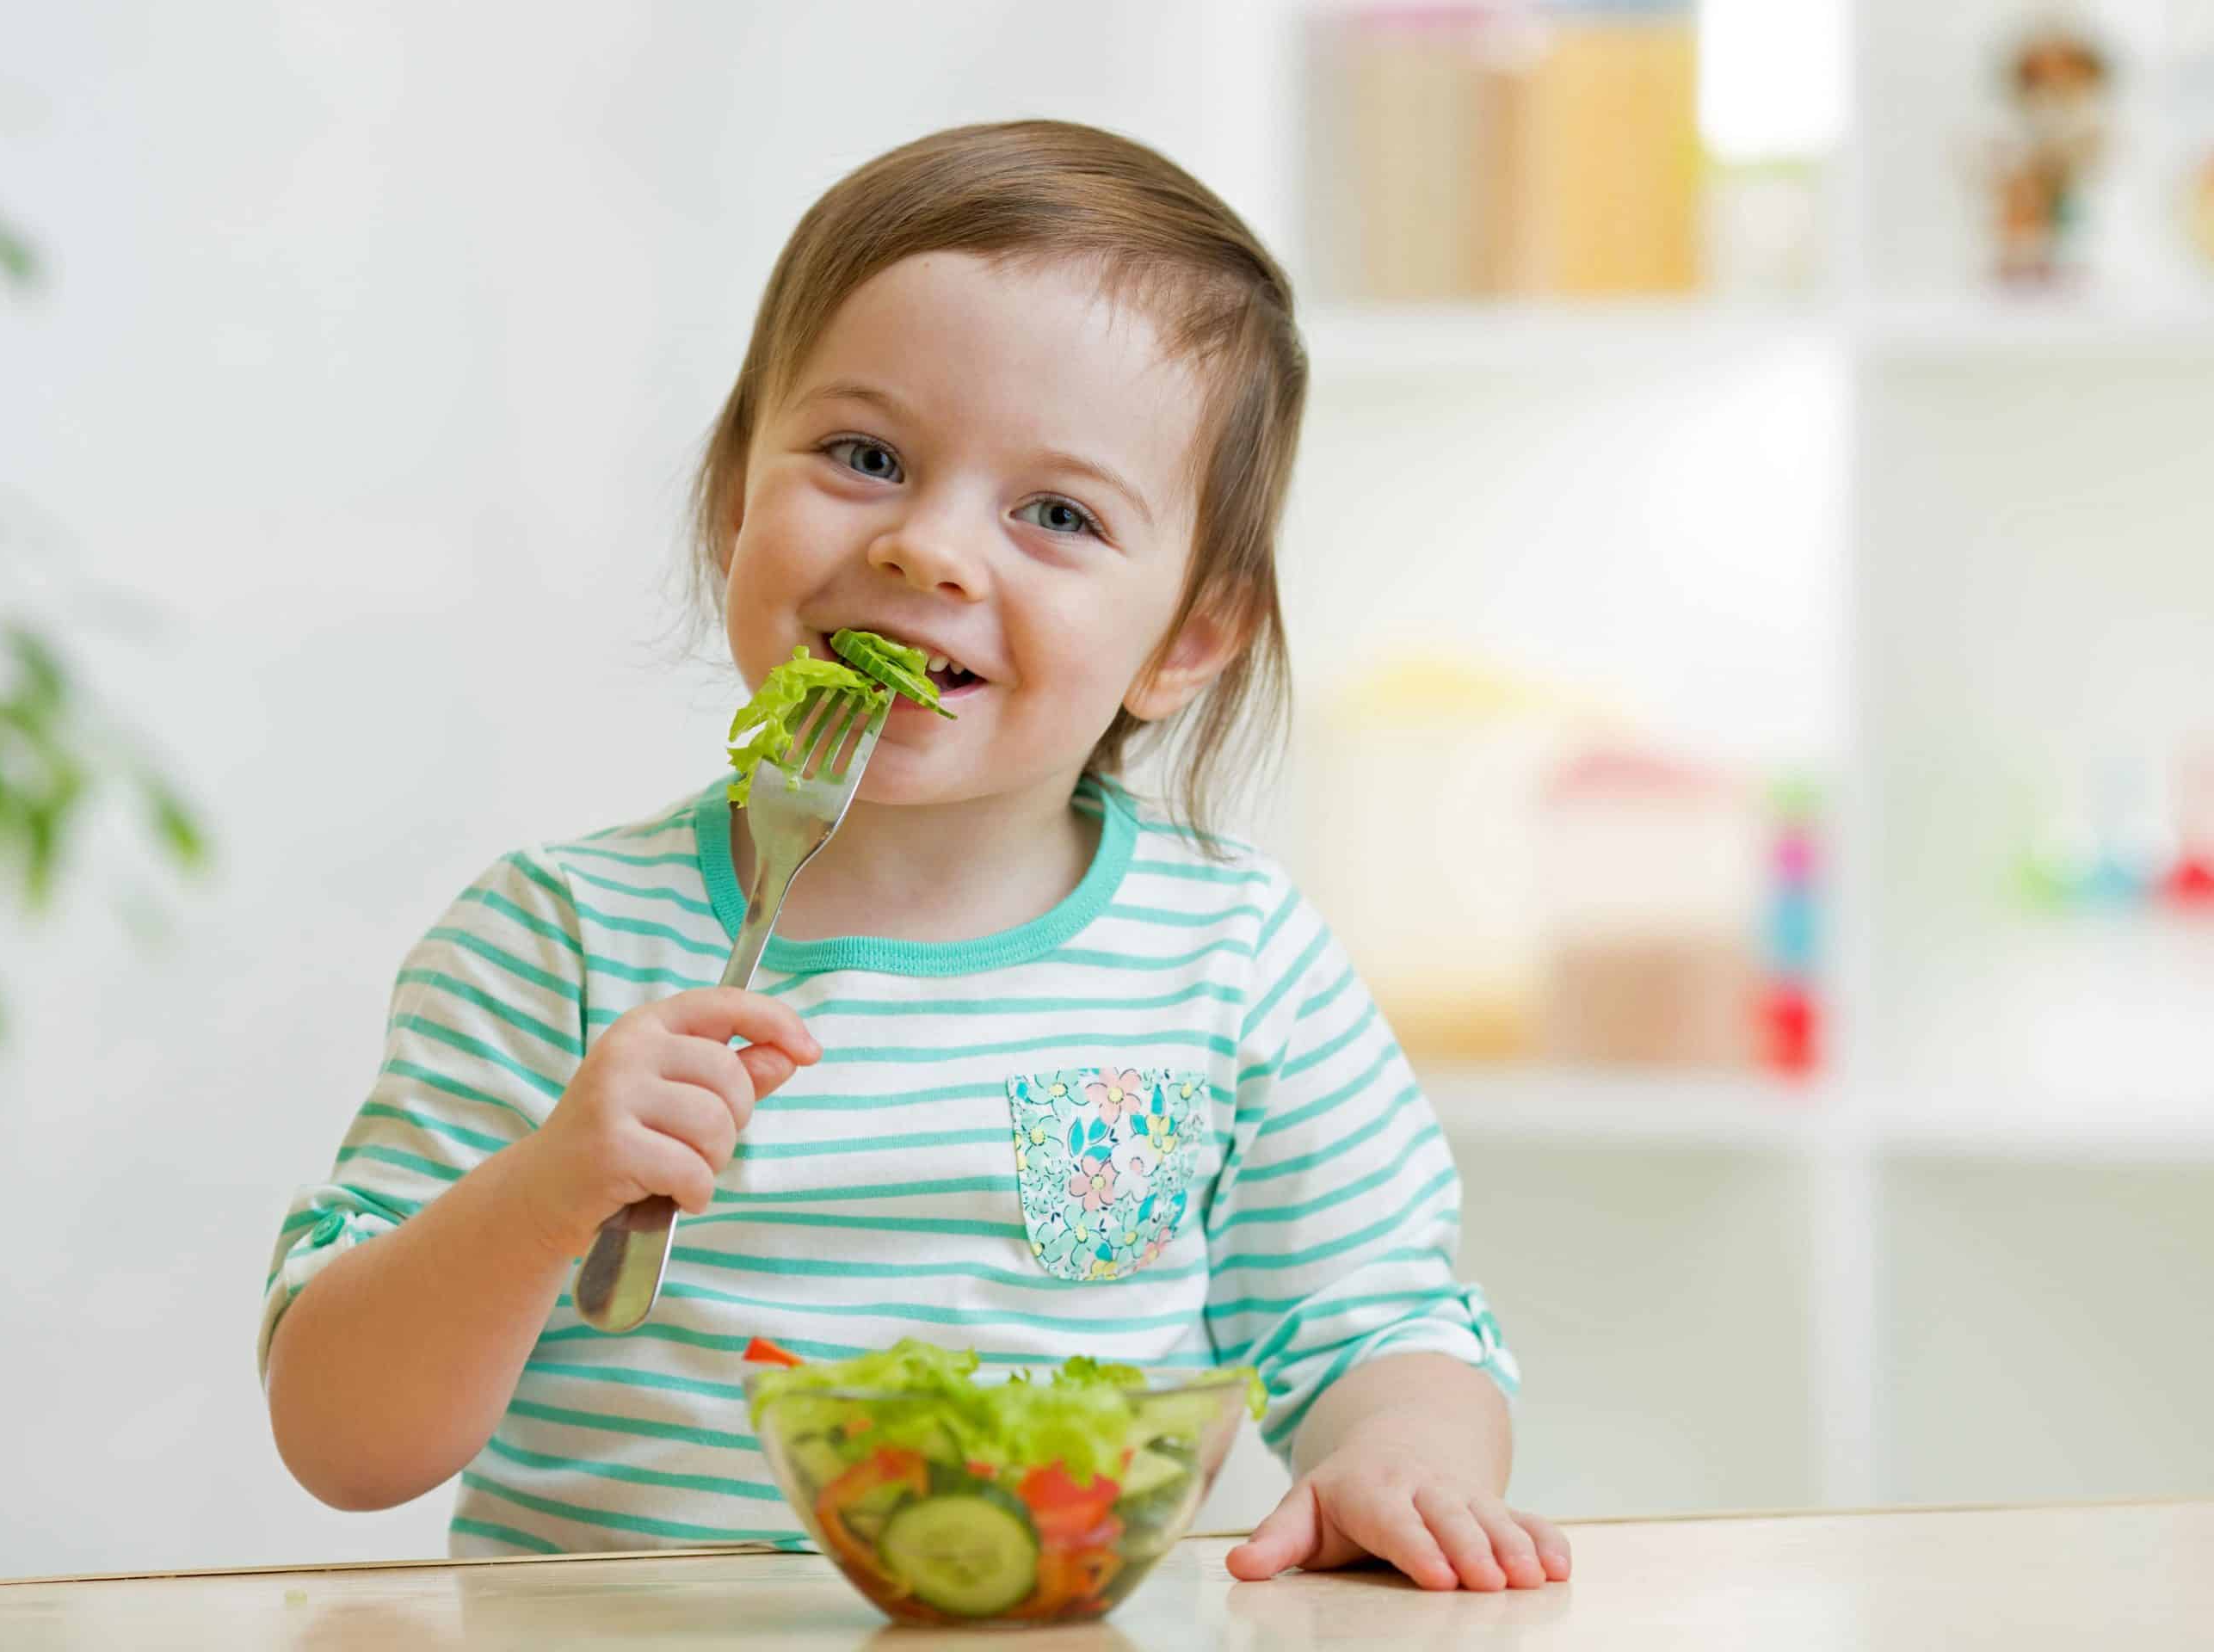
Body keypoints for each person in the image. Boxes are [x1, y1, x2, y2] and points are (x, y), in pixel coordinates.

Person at [259, 120, 1570, 1593]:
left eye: (1057, 513)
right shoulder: (554, 942)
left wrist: (1402, 1458)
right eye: (864, 456)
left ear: (1191, 637)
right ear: (732, 498)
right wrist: (545, 1192)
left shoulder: (1234, 964)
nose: (928, 550)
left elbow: (1378, 1322)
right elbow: (340, 1437)